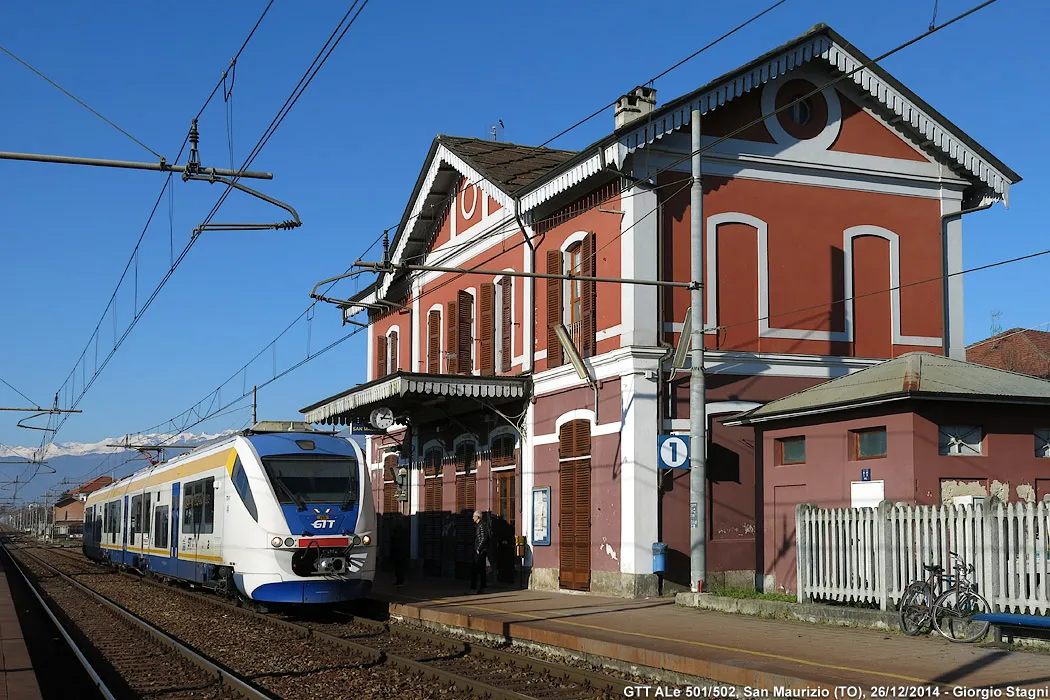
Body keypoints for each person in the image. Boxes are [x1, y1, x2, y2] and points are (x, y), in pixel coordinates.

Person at [468, 510, 490, 594]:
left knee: (475, 570)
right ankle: (482, 587)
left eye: (474, 516)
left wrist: (478, 548)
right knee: (481, 570)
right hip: (481, 551)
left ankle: (473, 588)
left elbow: (484, 538)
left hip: (480, 552)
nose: (472, 518)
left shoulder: (481, 526)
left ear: (478, 517)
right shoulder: (479, 525)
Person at [391, 517, 408, 586]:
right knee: (400, 568)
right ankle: (400, 581)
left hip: (397, 552)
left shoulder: (395, 532)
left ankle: (399, 581)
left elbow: (393, 542)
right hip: (402, 552)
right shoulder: (405, 531)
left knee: (398, 568)